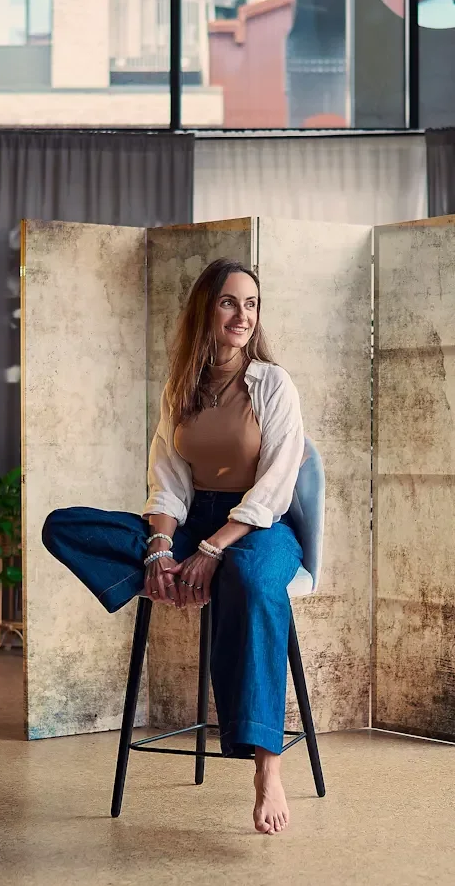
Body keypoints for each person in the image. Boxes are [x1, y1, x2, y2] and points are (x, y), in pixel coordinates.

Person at [42, 258, 307, 835]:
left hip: (258, 527)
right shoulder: (180, 387)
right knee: (64, 525)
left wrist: (214, 550)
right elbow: (167, 482)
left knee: (254, 579)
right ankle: (167, 580)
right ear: (205, 310)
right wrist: (162, 550)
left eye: (252, 304)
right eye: (229, 302)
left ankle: (268, 768)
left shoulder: (272, 384)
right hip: (191, 527)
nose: (242, 315)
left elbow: (276, 485)